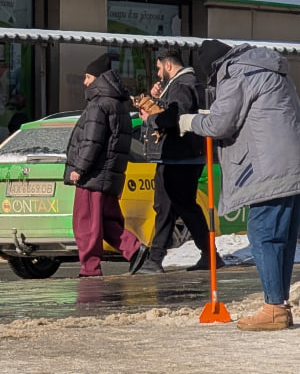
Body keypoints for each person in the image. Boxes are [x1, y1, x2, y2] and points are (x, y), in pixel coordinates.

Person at [180, 40, 300, 331]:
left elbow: (220, 125)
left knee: (263, 235)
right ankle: (279, 305)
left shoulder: (236, 73)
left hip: (272, 170)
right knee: (281, 239)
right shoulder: (266, 69)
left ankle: (274, 308)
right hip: (295, 165)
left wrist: (188, 121)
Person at [64, 53, 149, 278]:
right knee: (106, 220)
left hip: (93, 175)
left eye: (88, 77)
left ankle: (90, 269)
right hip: (109, 174)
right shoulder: (117, 103)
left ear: (99, 79)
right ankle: (134, 249)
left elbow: (92, 142)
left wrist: (79, 169)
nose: (84, 82)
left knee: (86, 224)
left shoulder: (99, 104)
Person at [136, 47, 219, 274]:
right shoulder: (186, 83)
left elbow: (174, 118)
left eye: (159, 67)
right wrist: (157, 99)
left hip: (179, 157)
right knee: (176, 206)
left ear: (168, 65)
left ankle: (156, 259)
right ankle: (209, 255)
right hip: (183, 156)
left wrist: (151, 117)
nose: (158, 72)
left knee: (172, 206)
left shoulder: (182, 85)